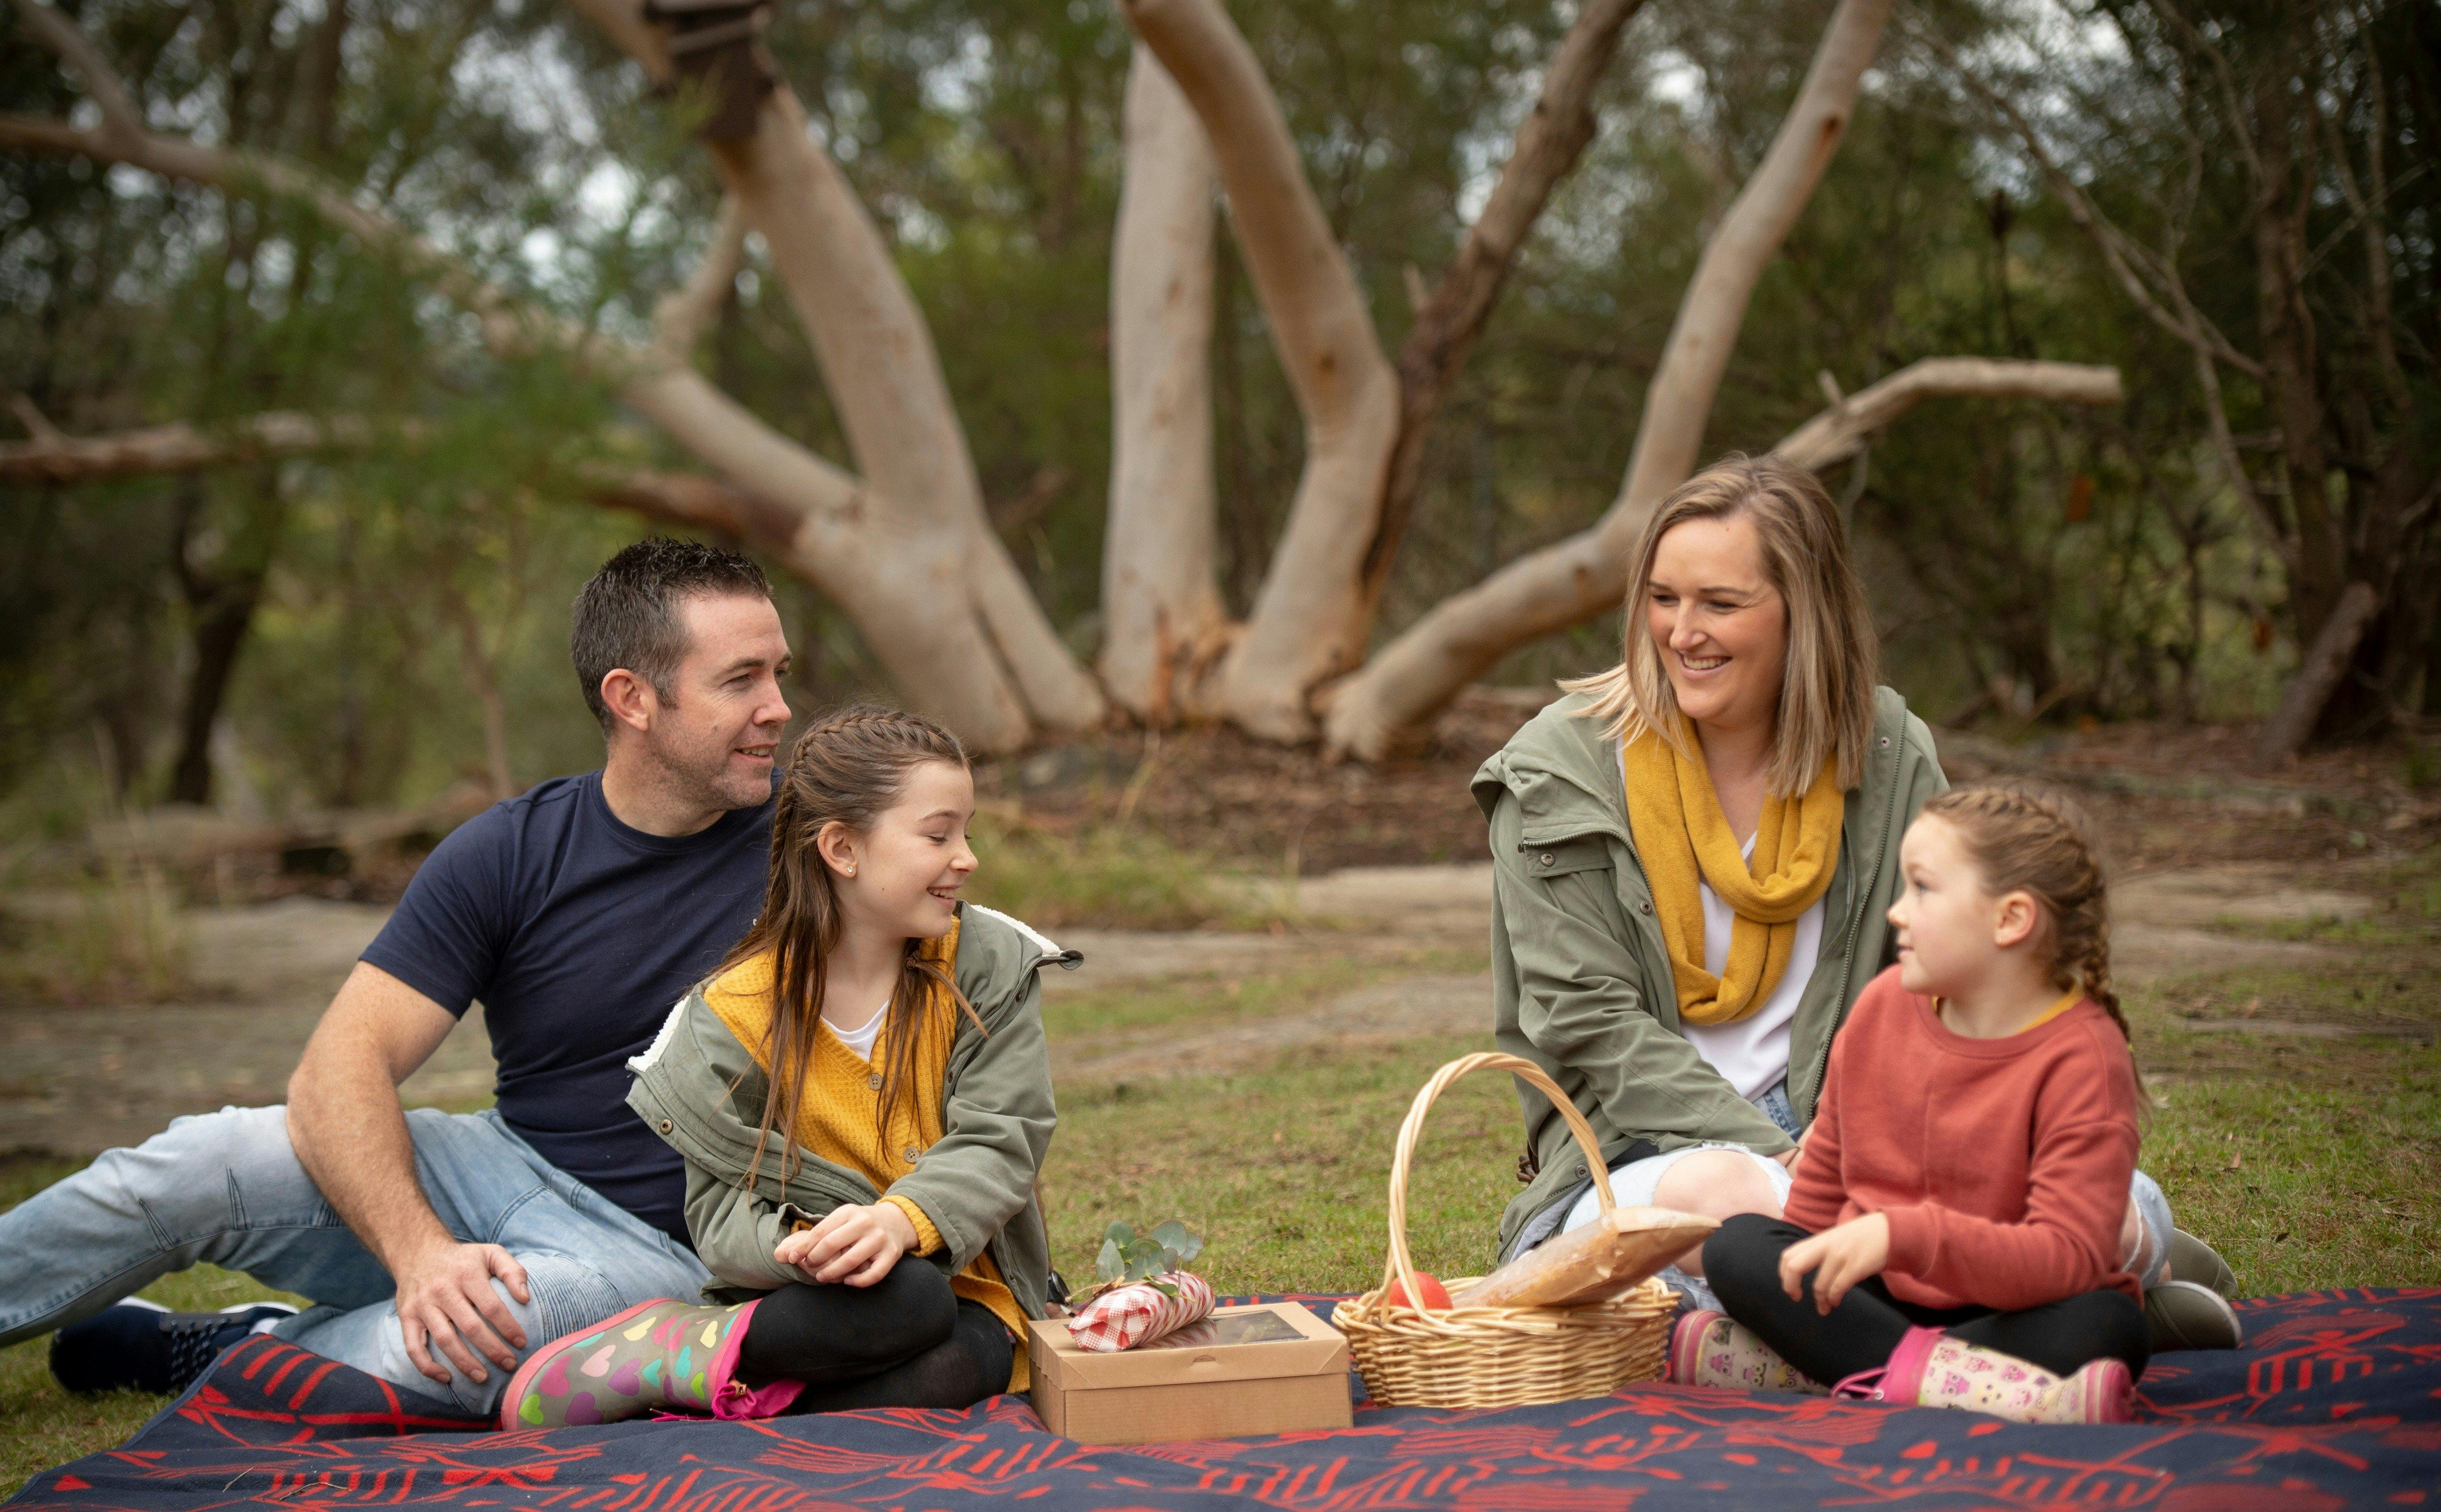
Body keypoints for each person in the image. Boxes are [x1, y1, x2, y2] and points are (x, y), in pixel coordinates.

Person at [2, 539, 791, 1414]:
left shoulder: (820, 846)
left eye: (778, 674)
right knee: (205, 1156)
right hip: (499, 1166)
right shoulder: (511, 851)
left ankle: (244, 1347)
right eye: (742, 680)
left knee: (494, 1338)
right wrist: (418, 1251)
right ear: (632, 698)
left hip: (655, 1250)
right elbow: (338, 1065)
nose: (779, 707)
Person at [1474, 455, 2238, 1351]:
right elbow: (1585, 1020)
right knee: (1730, 1202)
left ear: (1806, 611)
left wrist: (1910, 1137)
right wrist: (1776, 1150)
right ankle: (2057, 1302)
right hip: (1644, 1148)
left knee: (2084, 1190)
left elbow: (1948, 976)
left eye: (1721, 603)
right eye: (1663, 598)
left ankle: (2085, 1260)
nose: (1683, 633)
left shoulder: (1885, 748)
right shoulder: (1558, 769)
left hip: (1861, 1124)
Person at [495, 706, 1063, 1428]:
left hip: (967, 1284)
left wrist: (900, 1220)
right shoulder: (728, 1018)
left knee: (961, 1358)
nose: (967, 857)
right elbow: (718, 1216)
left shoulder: (991, 964)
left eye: (966, 831)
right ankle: (685, 1346)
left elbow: (1002, 1136)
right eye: (937, 834)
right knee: (909, 1299)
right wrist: (804, 1247)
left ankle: (707, 1399)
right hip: (808, 1298)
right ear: (842, 849)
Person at [1672, 782, 2150, 1425]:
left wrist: (1905, 1234)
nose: (1897, 912)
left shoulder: (2084, 1056)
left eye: (1922, 889)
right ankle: (1960, 1381)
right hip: (1879, 1297)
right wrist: (1795, 1276)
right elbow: (1817, 1195)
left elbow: (2065, 1257)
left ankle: (1821, 1370)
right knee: (1738, 1246)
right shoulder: (1881, 1007)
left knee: (2108, 1325)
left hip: (2013, 1307)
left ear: (2011, 919)